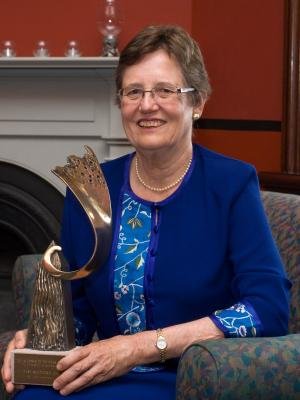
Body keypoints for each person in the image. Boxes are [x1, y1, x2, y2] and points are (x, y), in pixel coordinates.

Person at [2, 25, 291, 399]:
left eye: (165, 90)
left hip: (196, 381)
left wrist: (138, 347)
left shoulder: (231, 184)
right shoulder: (91, 187)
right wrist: (36, 340)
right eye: (133, 91)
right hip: (102, 373)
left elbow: (268, 308)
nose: (147, 105)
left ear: (198, 102)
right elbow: (75, 311)